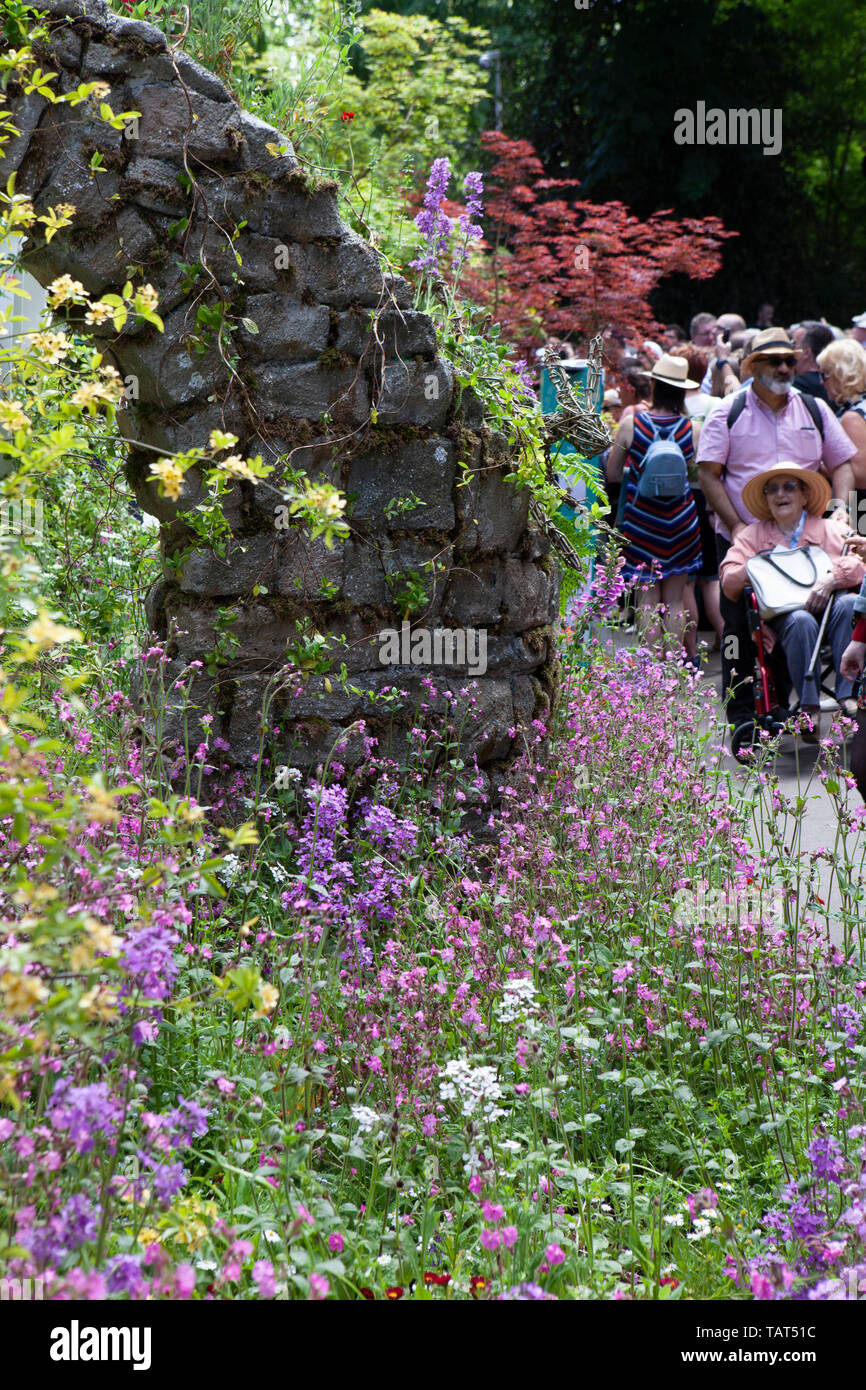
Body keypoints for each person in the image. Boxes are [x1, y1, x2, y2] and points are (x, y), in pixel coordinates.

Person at [697, 327, 858, 734]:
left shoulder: (814, 408)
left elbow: (841, 464)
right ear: (751, 366)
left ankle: (828, 700)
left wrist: (840, 509)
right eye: (774, 361)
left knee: (829, 611)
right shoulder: (727, 411)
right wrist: (736, 528)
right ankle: (742, 715)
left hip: (810, 538)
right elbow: (709, 475)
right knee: (738, 631)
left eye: (790, 360)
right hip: (748, 536)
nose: (785, 368)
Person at [719, 464, 864, 742]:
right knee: (801, 620)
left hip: (832, 613)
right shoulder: (753, 535)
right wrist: (760, 566)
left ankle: (849, 698)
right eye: (772, 489)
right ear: (766, 499)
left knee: (848, 604)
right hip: (785, 623)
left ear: (805, 496)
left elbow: (861, 562)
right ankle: (809, 708)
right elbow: (729, 581)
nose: (780, 494)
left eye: (789, 487)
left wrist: (833, 578)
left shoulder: (830, 528)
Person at [606, 354, 701, 650]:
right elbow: (693, 472)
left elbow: (612, 473)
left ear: (655, 386)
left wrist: (639, 472)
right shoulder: (692, 429)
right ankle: (673, 670)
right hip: (681, 520)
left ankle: (651, 676)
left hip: (642, 520)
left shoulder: (632, 423)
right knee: (674, 600)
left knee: (646, 599)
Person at [671, 344, 725, 659]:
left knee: (687, 583)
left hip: (679, 499)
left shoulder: (668, 406)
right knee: (712, 578)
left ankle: (687, 655)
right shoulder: (717, 405)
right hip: (710, 496)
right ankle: (729, 641)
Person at [816, 337, 866, 467]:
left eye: (824, 374)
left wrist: (815, 466)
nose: (821, 382)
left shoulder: (853, 417)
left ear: (841, 373)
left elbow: (859, 477)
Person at [793, 321, 835, 404]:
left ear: (806, 353)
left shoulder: (793, 387)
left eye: (793, 345)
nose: (789, 350)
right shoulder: (836, 387)